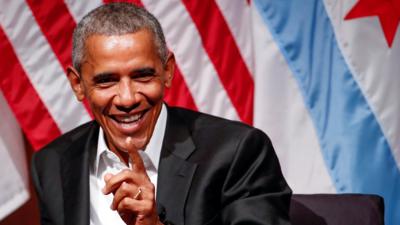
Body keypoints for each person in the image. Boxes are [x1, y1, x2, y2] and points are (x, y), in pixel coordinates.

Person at [31, 2, 292, 225]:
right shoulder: (52, 164)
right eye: (107, 81)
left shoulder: (236, 153)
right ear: (78, 85)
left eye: (142, 76)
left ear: (167, 71)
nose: (127, 98)